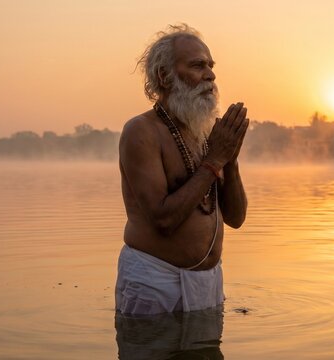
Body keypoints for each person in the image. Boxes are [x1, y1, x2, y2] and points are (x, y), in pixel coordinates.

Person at [115, 24, 248, 315]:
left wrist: (231, 158)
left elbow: (236, 219)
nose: (210, 75)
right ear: (165, 76)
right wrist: (214, 161)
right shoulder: (142, 131)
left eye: (211, 66)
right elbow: (163, 220)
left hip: (210, 284)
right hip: (154, 281)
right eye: (198, 65)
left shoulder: (206, 134)